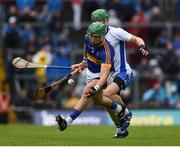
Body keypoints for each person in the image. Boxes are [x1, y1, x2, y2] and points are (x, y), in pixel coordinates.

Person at [56, 22, 128, 137]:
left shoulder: (107, 51)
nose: (92, 39)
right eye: (91, 35)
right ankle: (119, 109)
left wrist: (96, 87)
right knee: (97, 100)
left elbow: (104, 75)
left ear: (101, 36)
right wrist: (81, 64)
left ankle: (66, 122)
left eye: (95, 36)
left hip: (106, 73)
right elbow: (87, 57)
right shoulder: (87, 38)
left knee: (86, 92)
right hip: (92, 72)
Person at [89, 9, 148, 138]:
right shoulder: (94, 37)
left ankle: (126, 113)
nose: (97, 23)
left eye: (100, 20)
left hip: (123, 73)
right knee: (104, 102)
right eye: (94, 21)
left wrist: (142, 46)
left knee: (106, 94)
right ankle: (121, 129)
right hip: (108, 75)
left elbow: (136, 38)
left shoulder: (116, 32)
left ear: (106, 21)